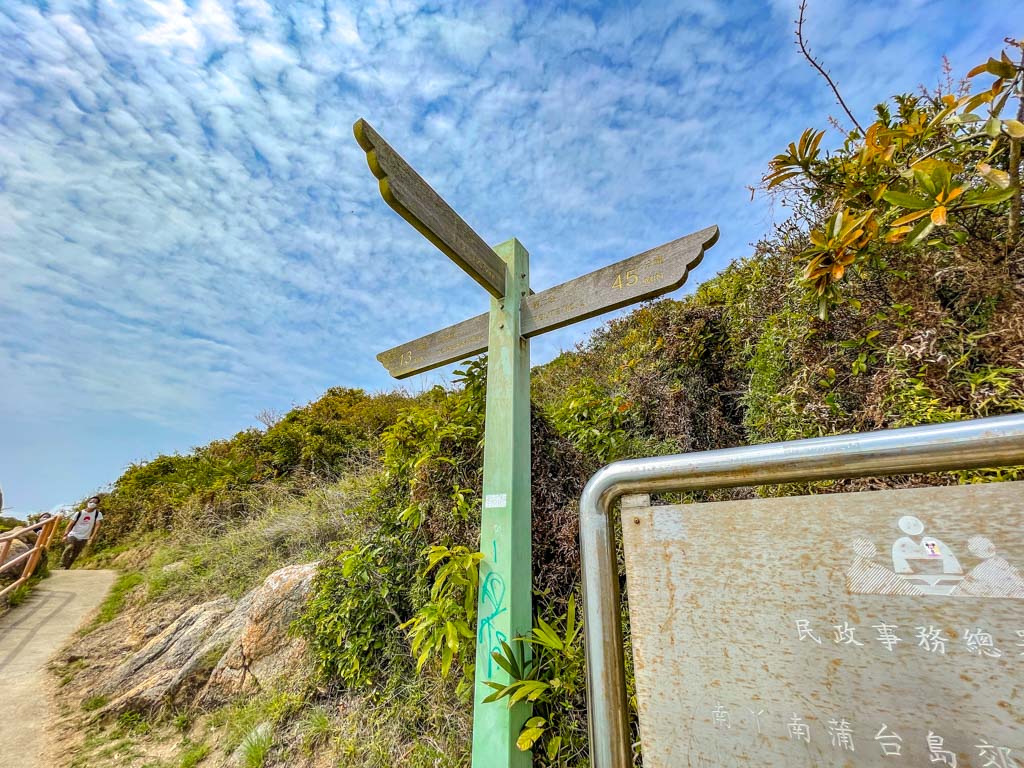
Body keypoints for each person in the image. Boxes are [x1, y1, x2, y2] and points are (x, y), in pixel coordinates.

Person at [61, 496, 103, 569]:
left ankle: (66, 568)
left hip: (85, 537)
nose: (92, 503)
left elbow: (98, 525)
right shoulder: (79, 513)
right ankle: (62, 564)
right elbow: (70, 524)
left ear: (97, 505)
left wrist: (92, 537)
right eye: (91, 501)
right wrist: (65, 534)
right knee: (69, 547)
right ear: (88, 502)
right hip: (73, 534)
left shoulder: (97, 514)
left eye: (95, 502)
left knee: (75, 554)